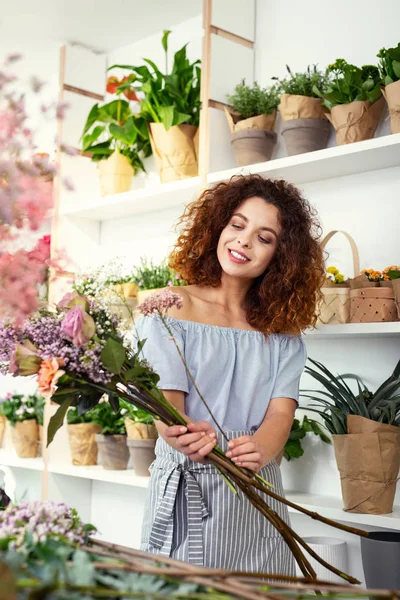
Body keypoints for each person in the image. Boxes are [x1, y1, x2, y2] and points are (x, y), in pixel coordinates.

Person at [135, 174, 324, 574]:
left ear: (281, 256)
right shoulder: (171, 308)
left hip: (256, 490)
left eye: (264, 237)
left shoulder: (281, 333)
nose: (243, 241)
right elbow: (165, 402)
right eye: (237, 225)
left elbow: (280, 414)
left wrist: (262, 449)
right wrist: (180, 431)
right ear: (218, 227)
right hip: (189, 485)